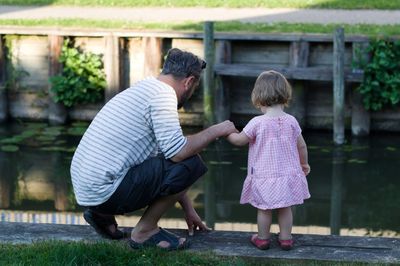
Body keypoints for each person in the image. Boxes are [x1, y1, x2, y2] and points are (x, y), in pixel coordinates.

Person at [70, 48, 238, 250]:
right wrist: (216, 130)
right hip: (105, 190)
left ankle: (101, 215)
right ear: (189, 82)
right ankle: (145, 231)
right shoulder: (163, 96)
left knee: (183, 159)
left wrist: (188, 209)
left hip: (87, 190)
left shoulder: (144, 89)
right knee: (193, 162)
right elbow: (179, 154)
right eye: (194, 88)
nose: (191, 94)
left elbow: (167, 157)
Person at [226, 70, 310, 251]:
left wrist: (228, 133)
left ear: (259, 96)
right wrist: (304, 164)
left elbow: (239, 141)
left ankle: (263, 239)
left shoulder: (257, 122)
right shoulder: (292, 121)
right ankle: (286, 239)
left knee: (264, 208)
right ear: (284, 94)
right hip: (287, 175)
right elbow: (301, 146)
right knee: (285, 208)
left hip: (265, 176)